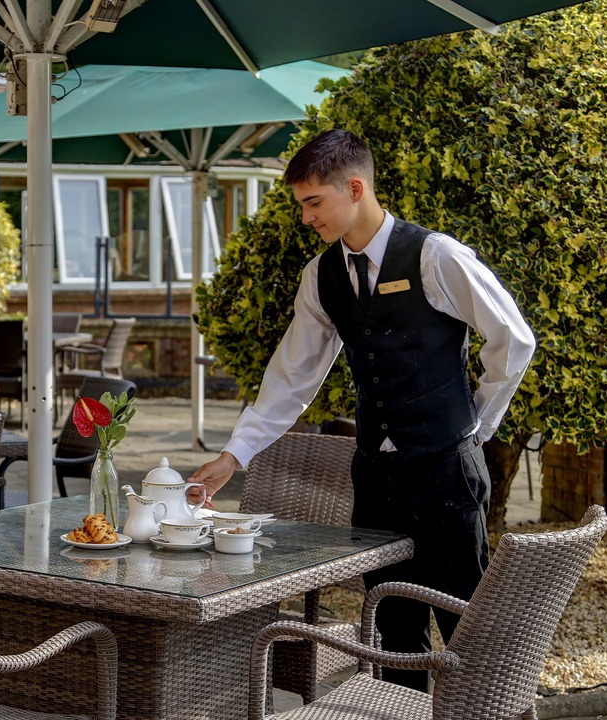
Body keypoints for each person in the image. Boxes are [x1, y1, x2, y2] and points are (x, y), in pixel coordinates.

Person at [188, 129, 536, 691]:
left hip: (446, 470)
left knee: (467, 628)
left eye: (313, 202)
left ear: (354, 188)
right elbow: (292, 376)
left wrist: (477, 423)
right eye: (301, 204)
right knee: (393, 634)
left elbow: (512, 340)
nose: (306, 217)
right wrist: (234, 455)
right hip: (375, 476)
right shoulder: (321, 276)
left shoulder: (436, 256)